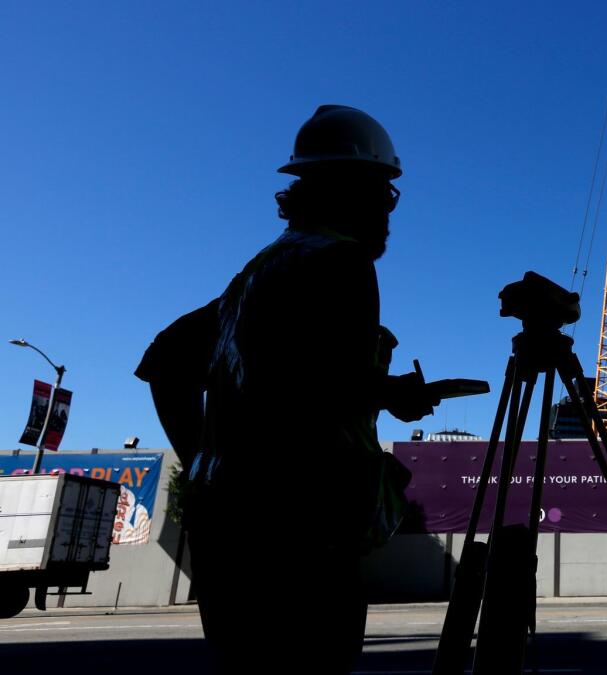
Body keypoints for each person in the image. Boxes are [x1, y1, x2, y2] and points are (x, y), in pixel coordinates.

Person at [136, 105, 435, 673]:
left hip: (229, 528)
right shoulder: (342, 261)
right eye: (383, 195)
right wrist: (392, 394)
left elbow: (166, 362)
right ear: (353, 191)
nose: (388, 212)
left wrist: (204, 461)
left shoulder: (257, 273)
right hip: (303, 533)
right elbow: (328, 390)